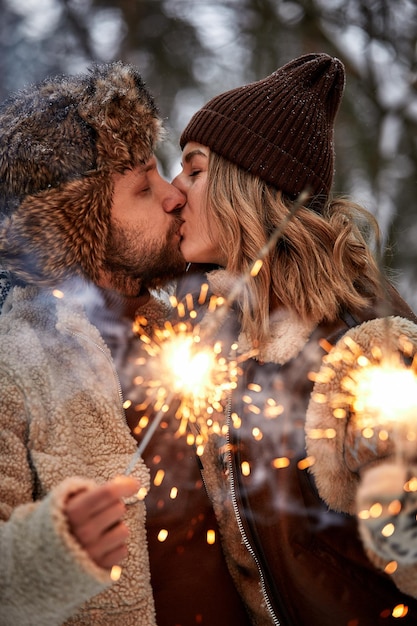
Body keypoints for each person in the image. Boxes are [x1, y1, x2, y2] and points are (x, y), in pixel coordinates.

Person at [172, 52, 417, 625]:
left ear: (247, 184)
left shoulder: (363, 356)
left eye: (194, 169)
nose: (176, 191)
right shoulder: (224, 345)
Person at [0, 61, 187, 625]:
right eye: (142, 187)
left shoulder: (191, 322)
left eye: (161, 172)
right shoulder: (15, 363)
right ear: (78, 227)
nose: (173, 194)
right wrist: (50, 552)